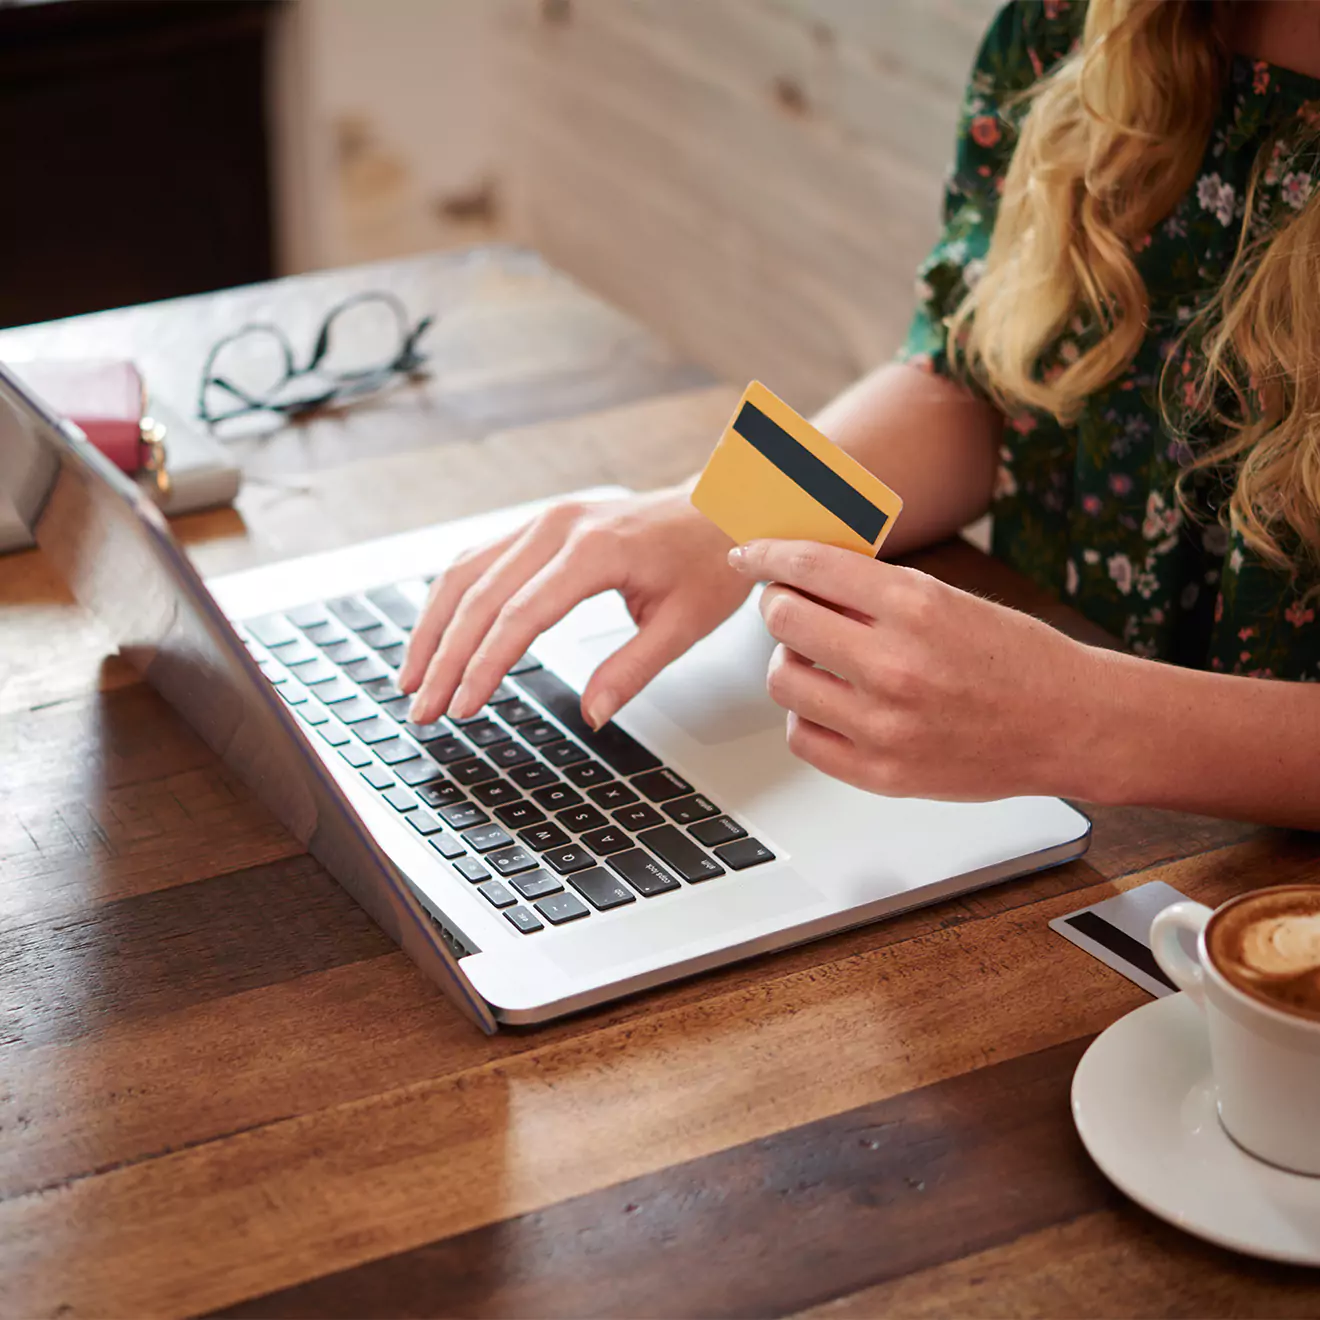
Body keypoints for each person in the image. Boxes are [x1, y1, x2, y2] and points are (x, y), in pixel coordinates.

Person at [402, 0, 1320, 830]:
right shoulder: (1079, 30)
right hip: (1074, 806)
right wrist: (719, 516)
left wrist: (1078, 722)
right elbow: (978, 385)